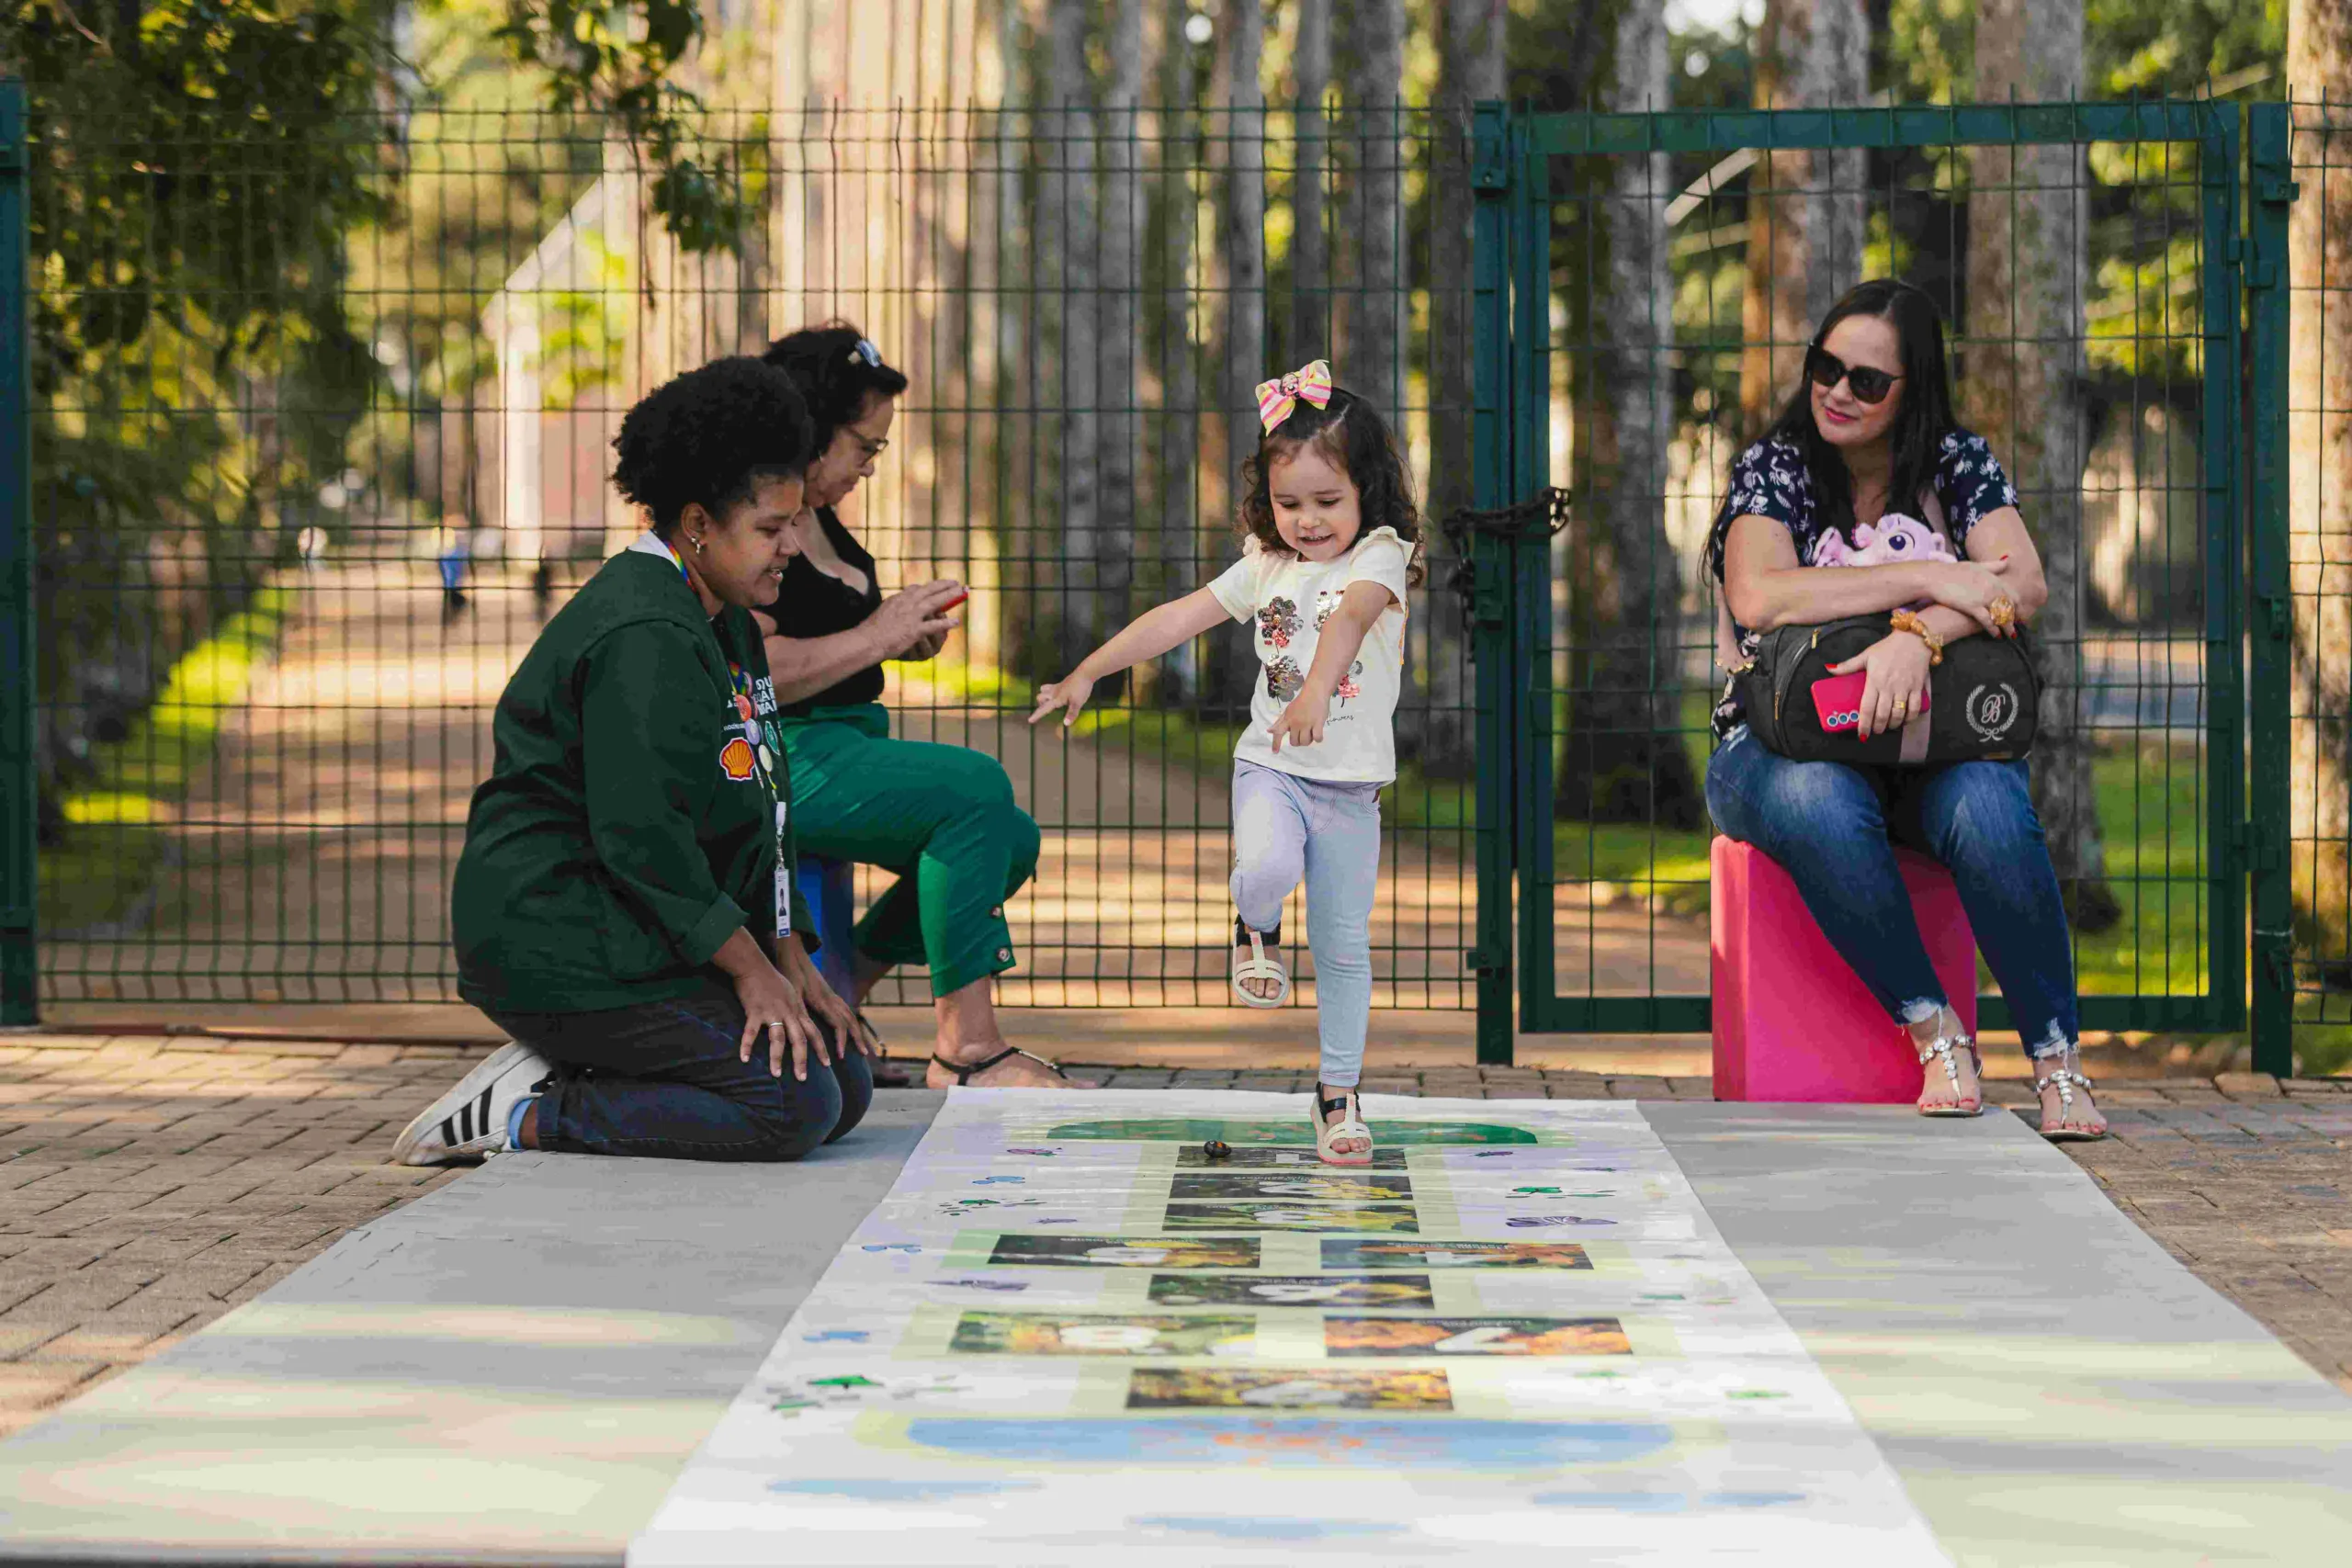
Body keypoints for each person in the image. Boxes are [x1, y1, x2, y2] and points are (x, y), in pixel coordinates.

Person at [395, 356, 875, 1166]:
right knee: (792, 1105)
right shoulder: (643, 635)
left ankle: (591, 1062)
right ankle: (529, 1108)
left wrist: (791, 953)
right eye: (769, 527)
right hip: (559, 934)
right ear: (696, 524)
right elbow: (643, 835)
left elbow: (762, 802)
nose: (792, 545)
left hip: (639, 926)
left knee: (843, 1078)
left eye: (792, 522)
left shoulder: (723, 618)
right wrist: (752, 971)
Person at [1703, 277, 2106, 1141]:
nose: (1838, 392)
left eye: (1868, 381)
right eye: (1825, 367)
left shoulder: (1957, 463)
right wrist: (1933, 575)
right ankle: (1934, 1029)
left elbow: (2022, 583)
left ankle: (2056, 1057)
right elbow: (1759, 593)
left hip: (1924, 746)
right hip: (1773, 749)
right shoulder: (1774, 466)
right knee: (1821, 798)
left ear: (1912, 392)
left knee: (1993, 804)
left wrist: (1915, 638)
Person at [1031, 361, 1420, 1165]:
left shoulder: (1379, 557)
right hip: (1272, 767)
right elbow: (1178, 617)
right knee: (1267, 863)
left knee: (1346, 947)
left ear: (1367, 493)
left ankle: (1337, 1095)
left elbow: (1349, 624)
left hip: (1351, 789)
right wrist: (1091, 670)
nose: (1307, 521)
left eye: (1326, 502)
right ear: (1264, 500)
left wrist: (1316, 693)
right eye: (1288, 504)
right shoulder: (1265, 566)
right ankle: (1255, 924)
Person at [756, 322, 1081, 1091]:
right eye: (864, 446)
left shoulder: (820, 517)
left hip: (842, 738)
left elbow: (838, 635)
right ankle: (967, 1048)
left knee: (1012, 837)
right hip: (782, 752)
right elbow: (755, 669)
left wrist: (901, 635)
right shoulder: (761, 522)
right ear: (810, 426)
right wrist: (876, 631)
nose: (872, 464)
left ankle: (837, 998)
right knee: (973, 791)